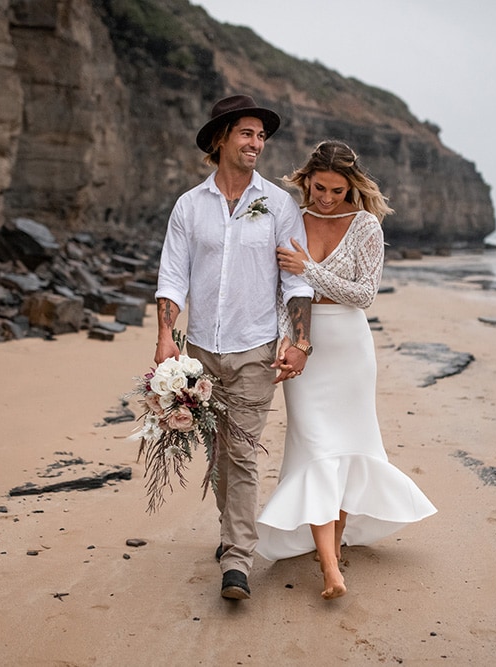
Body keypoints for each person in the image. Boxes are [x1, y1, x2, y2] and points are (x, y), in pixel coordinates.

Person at [256, 140, 437, 600]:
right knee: (317, 449)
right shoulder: (291, 217)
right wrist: (290, 337)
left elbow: (364, 294)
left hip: (350, 349)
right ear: (307, 179)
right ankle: (332, 569)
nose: (326, 198)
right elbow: (282, 287)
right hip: (305, 345)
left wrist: (311, 269)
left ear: (351, 186)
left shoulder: (365, 227)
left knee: (346, 449)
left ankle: (331, 552)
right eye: (319, 188)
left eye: (337, 190)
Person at [154, 95, 315, 601]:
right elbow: (173, 276)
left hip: (255, 348)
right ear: (222, 137)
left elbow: (296, 281)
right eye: (247, 133)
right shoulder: (189, 205)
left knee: (242, 453)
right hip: (199, 351)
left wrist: (300, 340)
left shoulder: (279, 205)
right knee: (217, 453)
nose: (256, 144)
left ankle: (237, 559)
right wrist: (164, 337)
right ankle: (233, 534)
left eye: (261, 136)